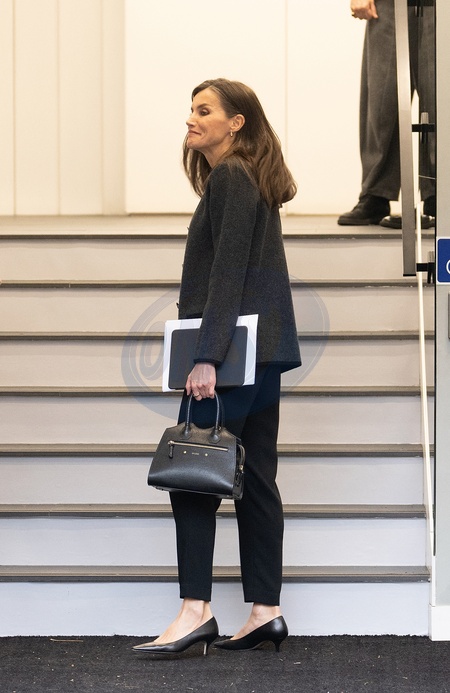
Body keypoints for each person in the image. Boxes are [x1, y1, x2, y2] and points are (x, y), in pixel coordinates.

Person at [133, 78, 301, 656]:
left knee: (192, 473)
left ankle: (195, 612)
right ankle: (265, 610)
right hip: (265, 349)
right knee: (257, 479)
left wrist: (206, 356)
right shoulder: (250, 177)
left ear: (236, 122)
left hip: (230, 352)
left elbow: (228, 271)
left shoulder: (231, 175)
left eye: (204, 110)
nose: (191, 118)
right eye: (190, 109)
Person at [338, 0, 435, 227]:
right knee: (381, 99)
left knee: (439, 98)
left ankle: (438, 195)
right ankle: (376, 194)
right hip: (388, 5)